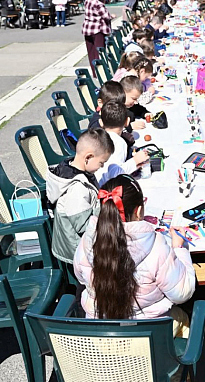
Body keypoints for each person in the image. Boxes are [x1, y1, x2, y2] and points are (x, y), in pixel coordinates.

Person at [74, 174, 195, 332]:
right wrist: (180, 249)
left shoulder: (87, 240)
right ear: (138, 211)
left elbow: (80, 276)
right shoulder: (156, 245)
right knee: (184, 319)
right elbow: (183, 293)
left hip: (100, 333)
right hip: (145, 336)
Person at [45, 128, 113, 265]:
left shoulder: (77, 172)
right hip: (77, 252)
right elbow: (84, 226)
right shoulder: (77, 189)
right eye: (102, 163)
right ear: (88, 157)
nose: (102, 167)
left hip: (79, 245)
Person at [95, 102, 151, 185]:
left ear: (101, 122)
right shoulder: (118, 142)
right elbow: (115, 174)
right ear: (127, 121)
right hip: (105, 188)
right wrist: (135, 161)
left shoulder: (97, 137)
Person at [82, 0, 113, 74]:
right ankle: (100, 72)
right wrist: (112, 16)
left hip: (87, 28)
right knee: (99, 51)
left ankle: (94, 72)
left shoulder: (88, 0)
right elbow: (106, 16)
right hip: (97, 29)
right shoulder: (98, 4)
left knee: (91, 51)